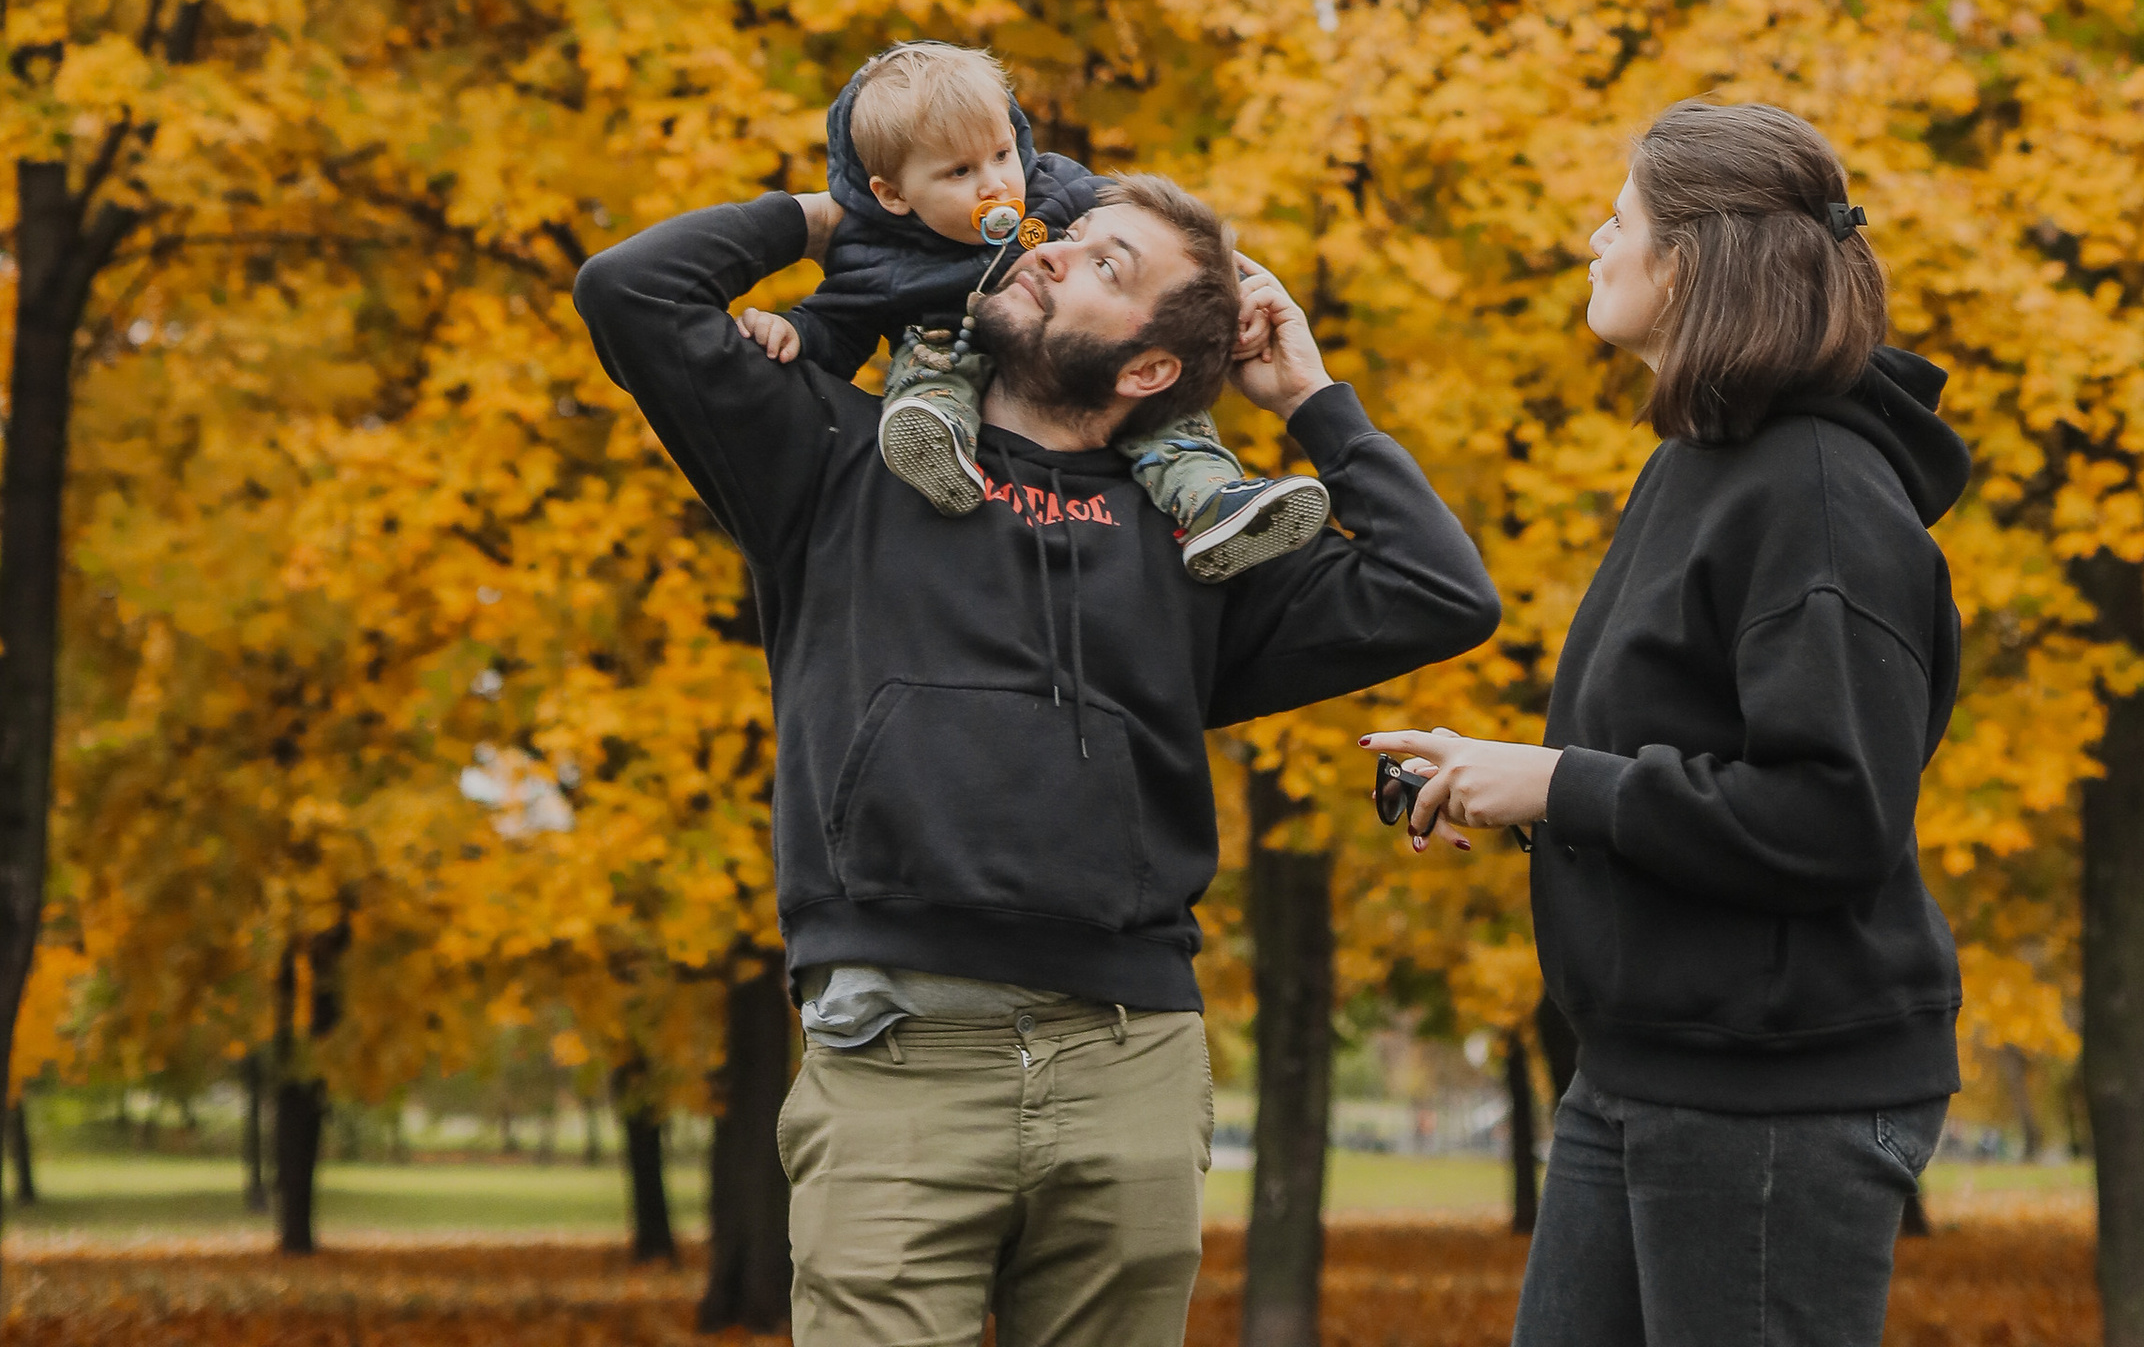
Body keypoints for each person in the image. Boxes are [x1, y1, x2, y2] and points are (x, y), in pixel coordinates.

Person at [575, 155, 1500, 1347]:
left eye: (1103, 262)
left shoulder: (1204, 535)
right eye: (1059, 239)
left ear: (1151, 367)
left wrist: (1314, 401)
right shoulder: (829, 454)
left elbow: (1438, 591)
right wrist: (856, 215)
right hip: (893, 1058)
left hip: (1130, 1063)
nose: (1049, 250)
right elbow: (630, 291)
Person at [1368, 100, 1966, 1347]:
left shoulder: (1818, 495)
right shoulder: (1697, 468)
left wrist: (1559, 788)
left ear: (1693, 258)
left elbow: (1832, 815)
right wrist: (1501, 778)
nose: (1596, 239)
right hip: (1641, 1067)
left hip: (1772, 1094)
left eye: (1621, 218)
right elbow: (1672, 761)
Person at [732, 39, 1332, 577]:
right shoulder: (877, 257)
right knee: (931, 356)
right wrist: (791, 330)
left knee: (1165, 410)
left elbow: (1170, 255)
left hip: (1074, 370)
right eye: (960, 171)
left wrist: (1233, 295)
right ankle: (935, 440)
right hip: (957, 356)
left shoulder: (1058, 193)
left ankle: (1212, 502)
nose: (994, 184)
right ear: (892, 194)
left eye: (1000, 154)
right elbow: (836, 324)